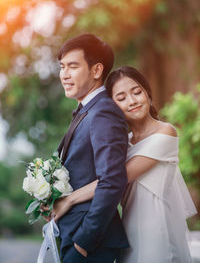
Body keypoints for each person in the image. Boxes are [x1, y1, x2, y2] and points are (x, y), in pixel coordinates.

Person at [53, 66, 197, 263]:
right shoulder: (123, 142)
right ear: (113, 107)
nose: (132, 101)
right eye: (121, 98)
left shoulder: (166, 133)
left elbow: (116, 178)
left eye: (137, 92)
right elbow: (100, 182)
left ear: (148, 94)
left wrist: (69, 200)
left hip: (158, 230)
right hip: (128, 231)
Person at [53, 34, 129, 263]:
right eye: (62, 67)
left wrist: (83, 243)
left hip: (91, 244)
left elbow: (112, 180)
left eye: (73, 66)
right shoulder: (87, 110)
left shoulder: (103, 111)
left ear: (96, 71)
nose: (64, 75)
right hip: (75, 235)